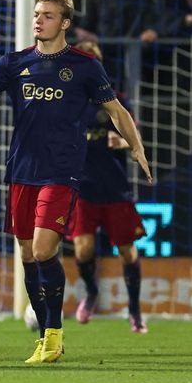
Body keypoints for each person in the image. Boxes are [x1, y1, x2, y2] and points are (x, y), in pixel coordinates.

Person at [0, 0, 152, 364]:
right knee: (28, 254)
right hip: (22, 171)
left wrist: (137, 147)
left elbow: (117, 110)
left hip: (61, 173)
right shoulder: (15, 63)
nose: (38, 19)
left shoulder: (84, 65)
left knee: (45, 250)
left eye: (47, 14)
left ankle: (56, 334)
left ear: (65, 23)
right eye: (37, 13)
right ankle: (44, 335)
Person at [67, 41, 149, 333]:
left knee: (127, 252)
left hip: (115, 190)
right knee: (84, 249)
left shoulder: (115, 101)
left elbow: (136, 139)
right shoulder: (68, 102)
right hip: (83, 191)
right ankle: (91, 292)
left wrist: (124, 141)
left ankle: (135, 311)